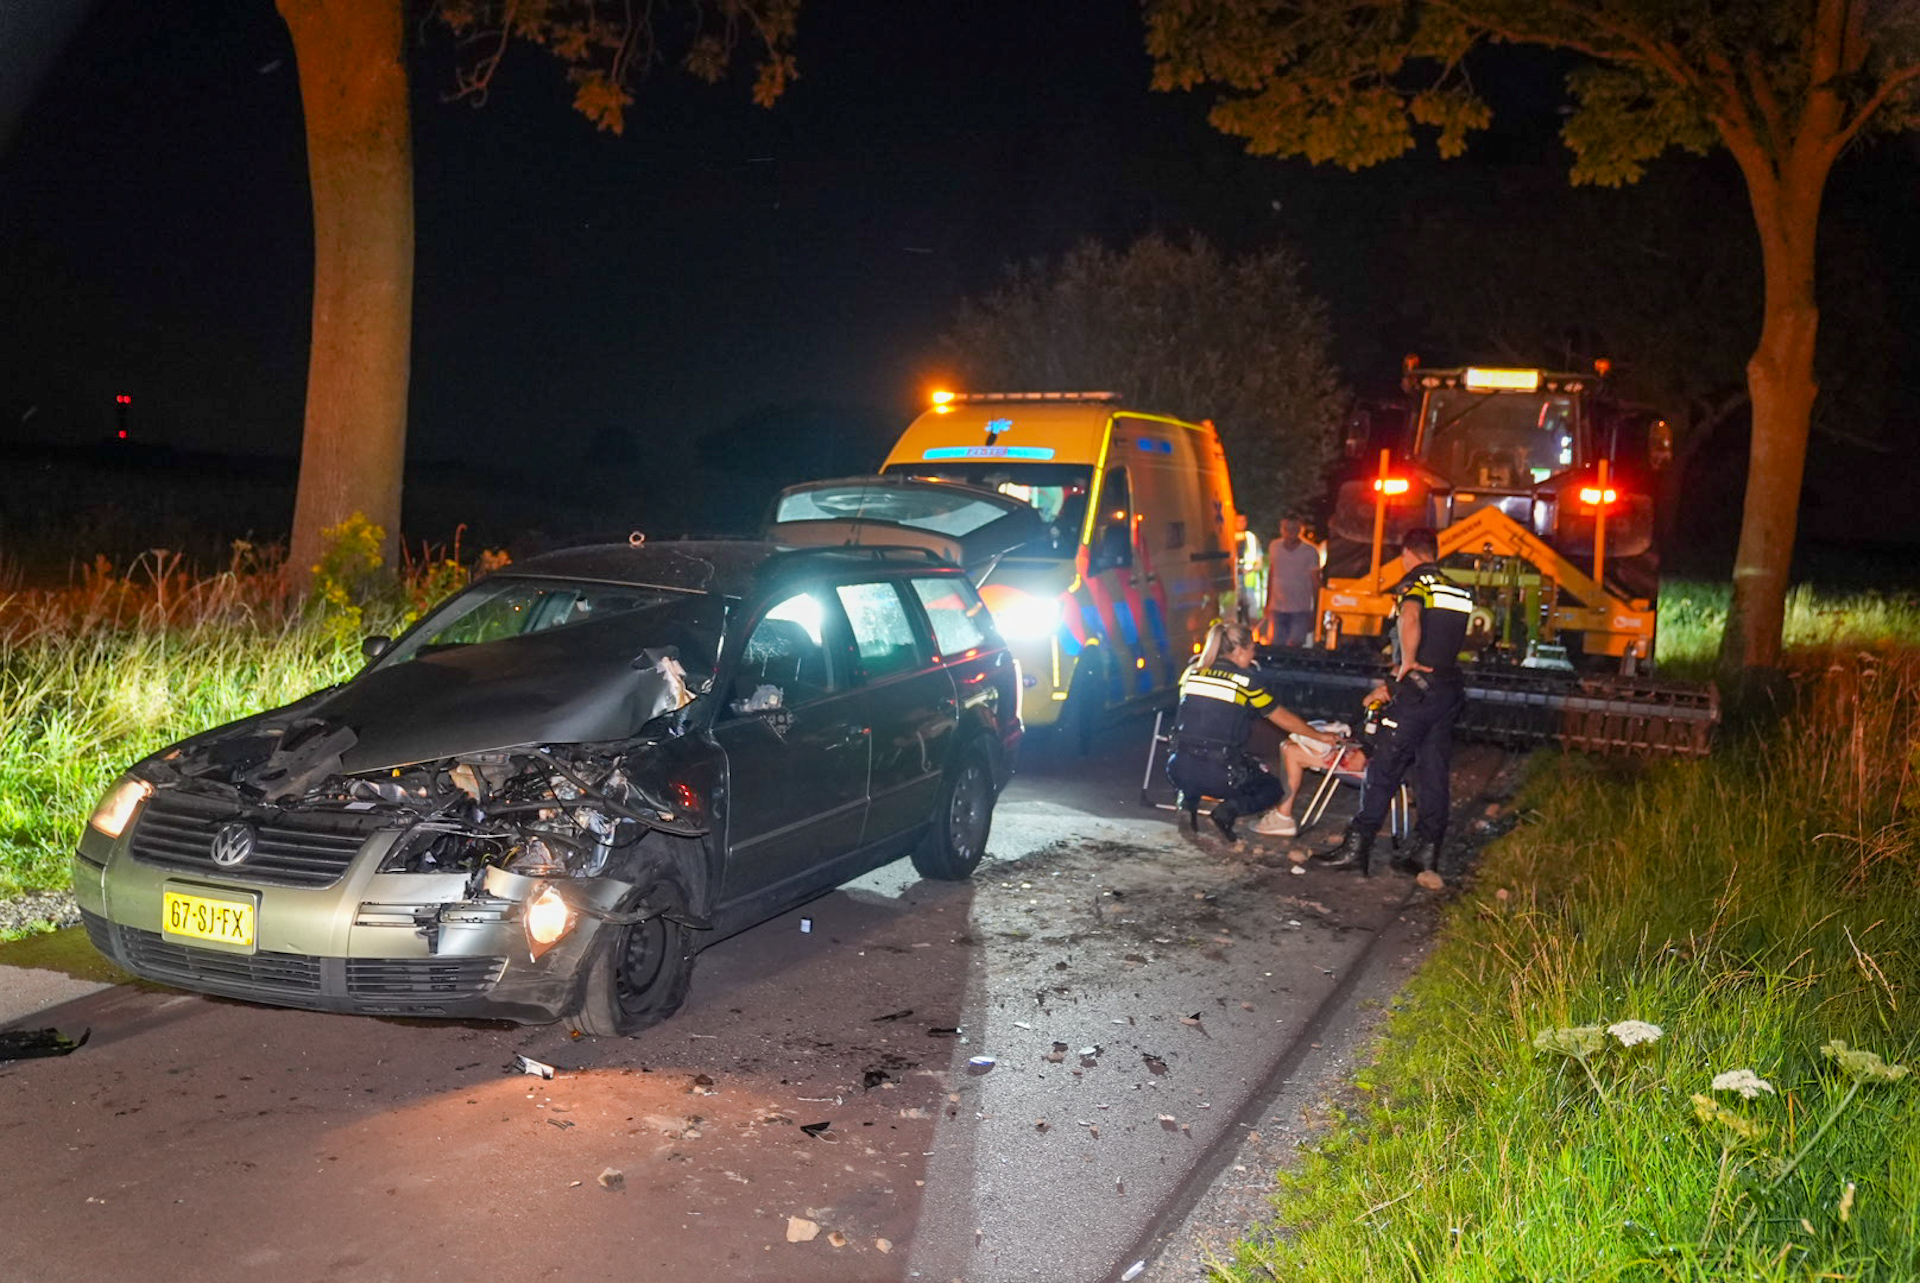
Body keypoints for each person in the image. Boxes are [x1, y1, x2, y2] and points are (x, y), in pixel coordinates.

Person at [1318, 527, 1474, 877]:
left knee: (1384, 765)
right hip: (1448, 689)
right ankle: (1427, 851)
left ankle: (1357, 847)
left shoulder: (1415, 584)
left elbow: (1411, 617)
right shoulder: (1459, 591)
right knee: (1432, 770)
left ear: (1408, 554)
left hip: (1418, 689)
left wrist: (1407, 661)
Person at [1167, 620, 1334, 842]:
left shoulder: (1191, 673)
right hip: (1220, 774)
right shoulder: (1245, 682)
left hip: (1178, 768)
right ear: (1239, 650)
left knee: (1199, 755)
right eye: (1253, 648)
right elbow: (1281, 717)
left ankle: (1187, 805)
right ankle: (1225, 813)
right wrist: (1319, 736)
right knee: (1272, 788)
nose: (1254, 653)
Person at [1264, 517, 1321, 648]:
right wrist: (1267, 603)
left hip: (1300, 609)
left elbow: (1315, 582)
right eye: (1286, 529)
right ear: (1281, 530)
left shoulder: (1310, 552)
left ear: (1301, 530)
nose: (1290, 533)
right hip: (1277, 607)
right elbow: (1272, 574)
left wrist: (1316, 612)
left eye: (1294, 529)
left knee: (1295, 646)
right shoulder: (1274, 547)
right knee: (1276, 646)